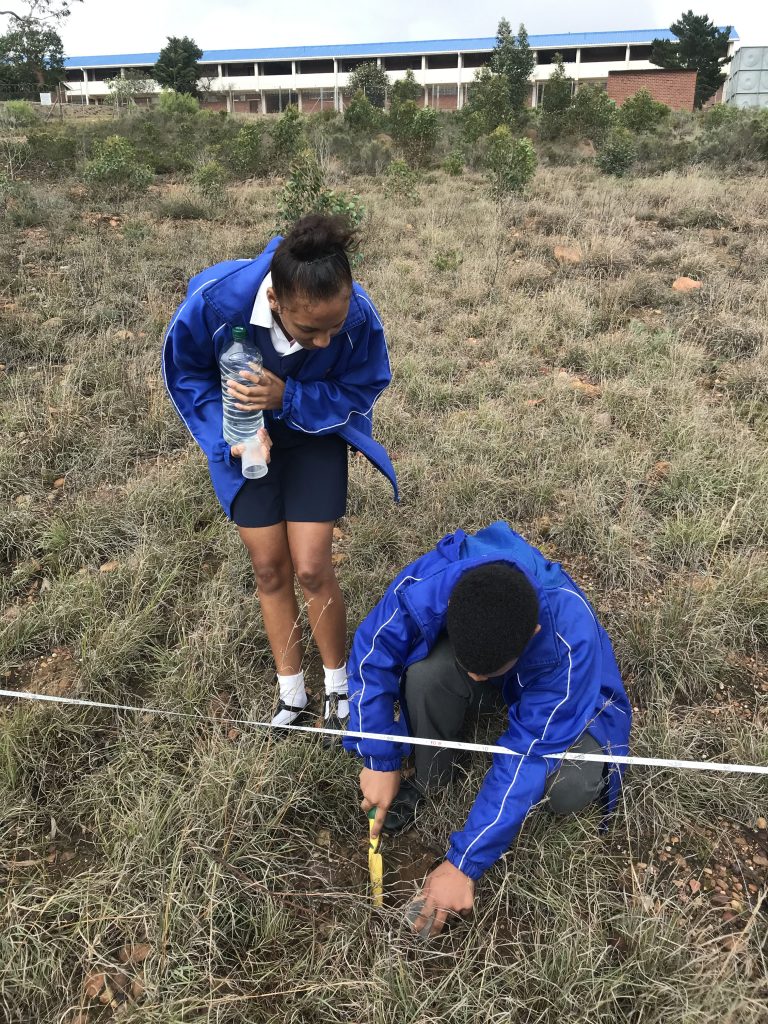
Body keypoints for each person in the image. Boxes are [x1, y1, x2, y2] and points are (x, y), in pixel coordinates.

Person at [163, 214, 397, 736]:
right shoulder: (219, 305)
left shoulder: (356, 316)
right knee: (269, 567)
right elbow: (187, 373)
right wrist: (232, 430)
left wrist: (288, 397)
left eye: (333, 328)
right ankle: (292, 694)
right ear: (274, 300)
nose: (324, 341)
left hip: (313, 437)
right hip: (244, 443)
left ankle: (339, 684)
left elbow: (360, 388)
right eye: (310, 328)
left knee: (312, 566)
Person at [343, 522, 631, 938]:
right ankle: (429, 779)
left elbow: (525, 759)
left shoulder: (571, 648)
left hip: (562, 693)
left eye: (487, 672)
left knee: (568, 786)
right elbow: (374, 652)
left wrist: (464, 864)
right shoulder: (434, 581)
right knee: (426, 678)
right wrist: (379, 757)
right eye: (470, 669)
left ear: (531, 634)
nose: (475, 680)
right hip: (500, 655)